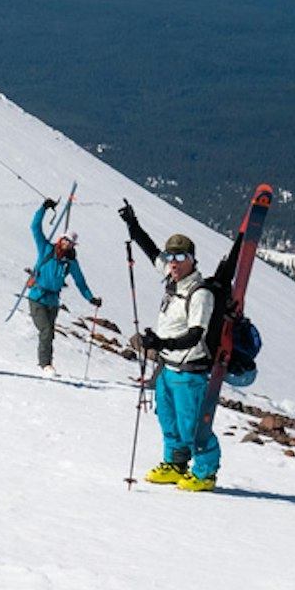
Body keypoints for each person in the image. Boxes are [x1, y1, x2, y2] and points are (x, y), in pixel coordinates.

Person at [119, 200, 218, 492]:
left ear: (192, 259)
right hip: (167, 368)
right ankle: (175, 465)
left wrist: (159, 342)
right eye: (171, 256)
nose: (173, 262)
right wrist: (132, 225)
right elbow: (151, 250)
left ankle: (205, 473)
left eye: (180, 256)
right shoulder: (172, 276)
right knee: (168, 420)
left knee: (193, 428)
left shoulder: (199, 293)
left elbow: (195, 335)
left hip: (189, 372)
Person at [26, 199, 102, 376]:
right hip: (37, 296)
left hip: (52, 300)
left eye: (70, 243)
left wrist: (90, 298)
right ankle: (45, 364)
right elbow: (35, 227)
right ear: (61, 239)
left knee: (50, 333)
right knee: (46, 330)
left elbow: (80, 281)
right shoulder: (46, 249)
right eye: (65, 240)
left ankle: (47, 363)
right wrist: (43, 208)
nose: (67, 244)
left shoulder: (70, 263)